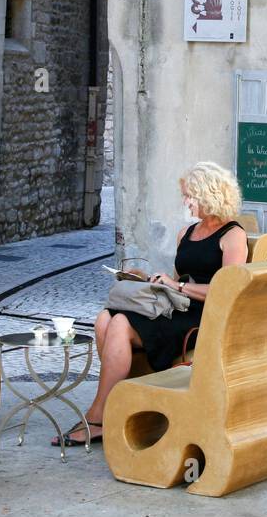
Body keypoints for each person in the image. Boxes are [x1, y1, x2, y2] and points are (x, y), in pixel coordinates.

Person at [54, 161, 248, 446]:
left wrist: (176, 285)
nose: (185, 202)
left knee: (120, 322)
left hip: (202, 316)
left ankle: (99, 416)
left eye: (189, 195)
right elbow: (177, 279)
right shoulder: (188, 232)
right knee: (104, 319)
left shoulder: (233, 235)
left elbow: (227, 290)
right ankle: (121, 403)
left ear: (209, 194)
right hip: (176, 307)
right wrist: (147, 278)